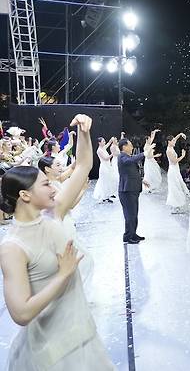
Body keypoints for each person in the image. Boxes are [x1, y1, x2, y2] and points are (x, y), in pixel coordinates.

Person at [0, 114, 116, 370]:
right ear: (24, 195)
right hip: (51, 353)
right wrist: (63, 275)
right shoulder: (12, 247)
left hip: (83, 338)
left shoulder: (54, 214)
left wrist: (84, 134)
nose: (54, 188)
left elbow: (84, 164)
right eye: (45, 185)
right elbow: (21, 313)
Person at [38, 156, 94, 287]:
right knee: (83, 258)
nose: (61, 168)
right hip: (64, 223)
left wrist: (77, 164)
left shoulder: (55, 180)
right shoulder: (51, 186)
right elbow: (71, 205)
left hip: (65, 220)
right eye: (57, 165)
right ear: (47, 169)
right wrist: (83, 189)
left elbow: (70, 171)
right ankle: (74, 286)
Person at [118, 138, 153, 244]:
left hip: (133, 189)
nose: (132, 147)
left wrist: (142, 180)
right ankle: (128, 237)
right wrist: (145, 152)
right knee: (129, 215)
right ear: (124, 147)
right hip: (127, 191)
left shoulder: (128, 157)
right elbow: (131, 160)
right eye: (130, 145)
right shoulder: (122, 157)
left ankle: (133, 233)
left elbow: (132, 172)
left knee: (134, 214)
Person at [166, 133, 190, 213]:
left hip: (175, 170)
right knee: (175, 187)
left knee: (178, 185)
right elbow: (174, 161)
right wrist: (183, 156)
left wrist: (180, 134)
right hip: (173, 170)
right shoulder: (169, 150)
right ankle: (175, 206)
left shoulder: (171, 146)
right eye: (173, 141)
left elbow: (175, 138)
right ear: (169, 142)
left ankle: (177, 205)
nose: (175, 141)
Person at [93, 137, 116, 203]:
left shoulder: (103, 148)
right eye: (103, 141)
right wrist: (112, 154)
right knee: (104, 182)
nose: (104, 142)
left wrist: (111, 140)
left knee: (108, 181)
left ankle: (107, 196)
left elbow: (108, 143)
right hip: (104, 168)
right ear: (99, 143)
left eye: (104, 141)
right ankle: (103, 196)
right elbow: (106, 158)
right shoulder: (99, 150)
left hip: (107, 166)